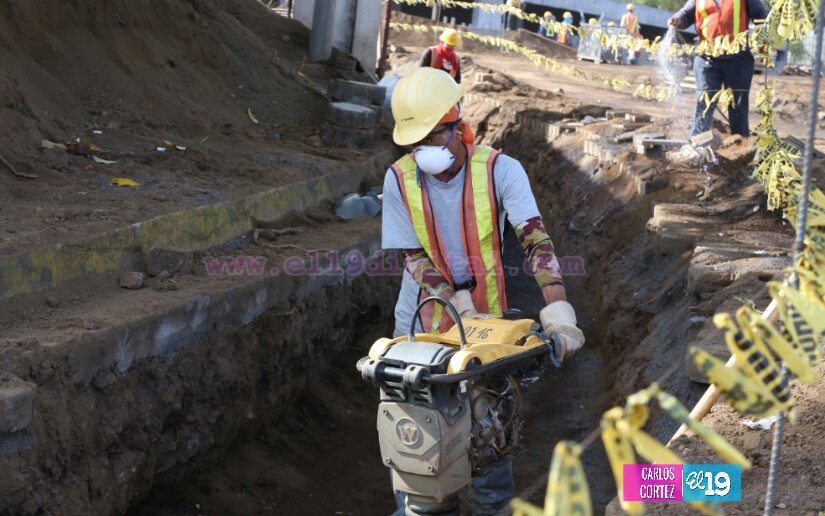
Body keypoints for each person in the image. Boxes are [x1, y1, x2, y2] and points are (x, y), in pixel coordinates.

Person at [382, 66, 585, 515]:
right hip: (419, 321)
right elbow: (411, 256)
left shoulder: (500, 170)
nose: (425, 150)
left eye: (435, 137)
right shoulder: (398, 178)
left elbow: (536, 241)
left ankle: (490, 507)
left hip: (486, 325)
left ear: (458, 124)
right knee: (418, 443)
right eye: (416, 142)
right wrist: (451, 299)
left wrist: (559, 312)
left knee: (489, 431)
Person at [668, 0, 767, 136]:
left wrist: (764, 41)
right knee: (704, 103)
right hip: (706, 58)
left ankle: (740, 146)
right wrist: (677, 20)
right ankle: (699, 145)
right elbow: (686, 15)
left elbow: (761, 16)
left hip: (738, 58)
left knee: (737, 104)